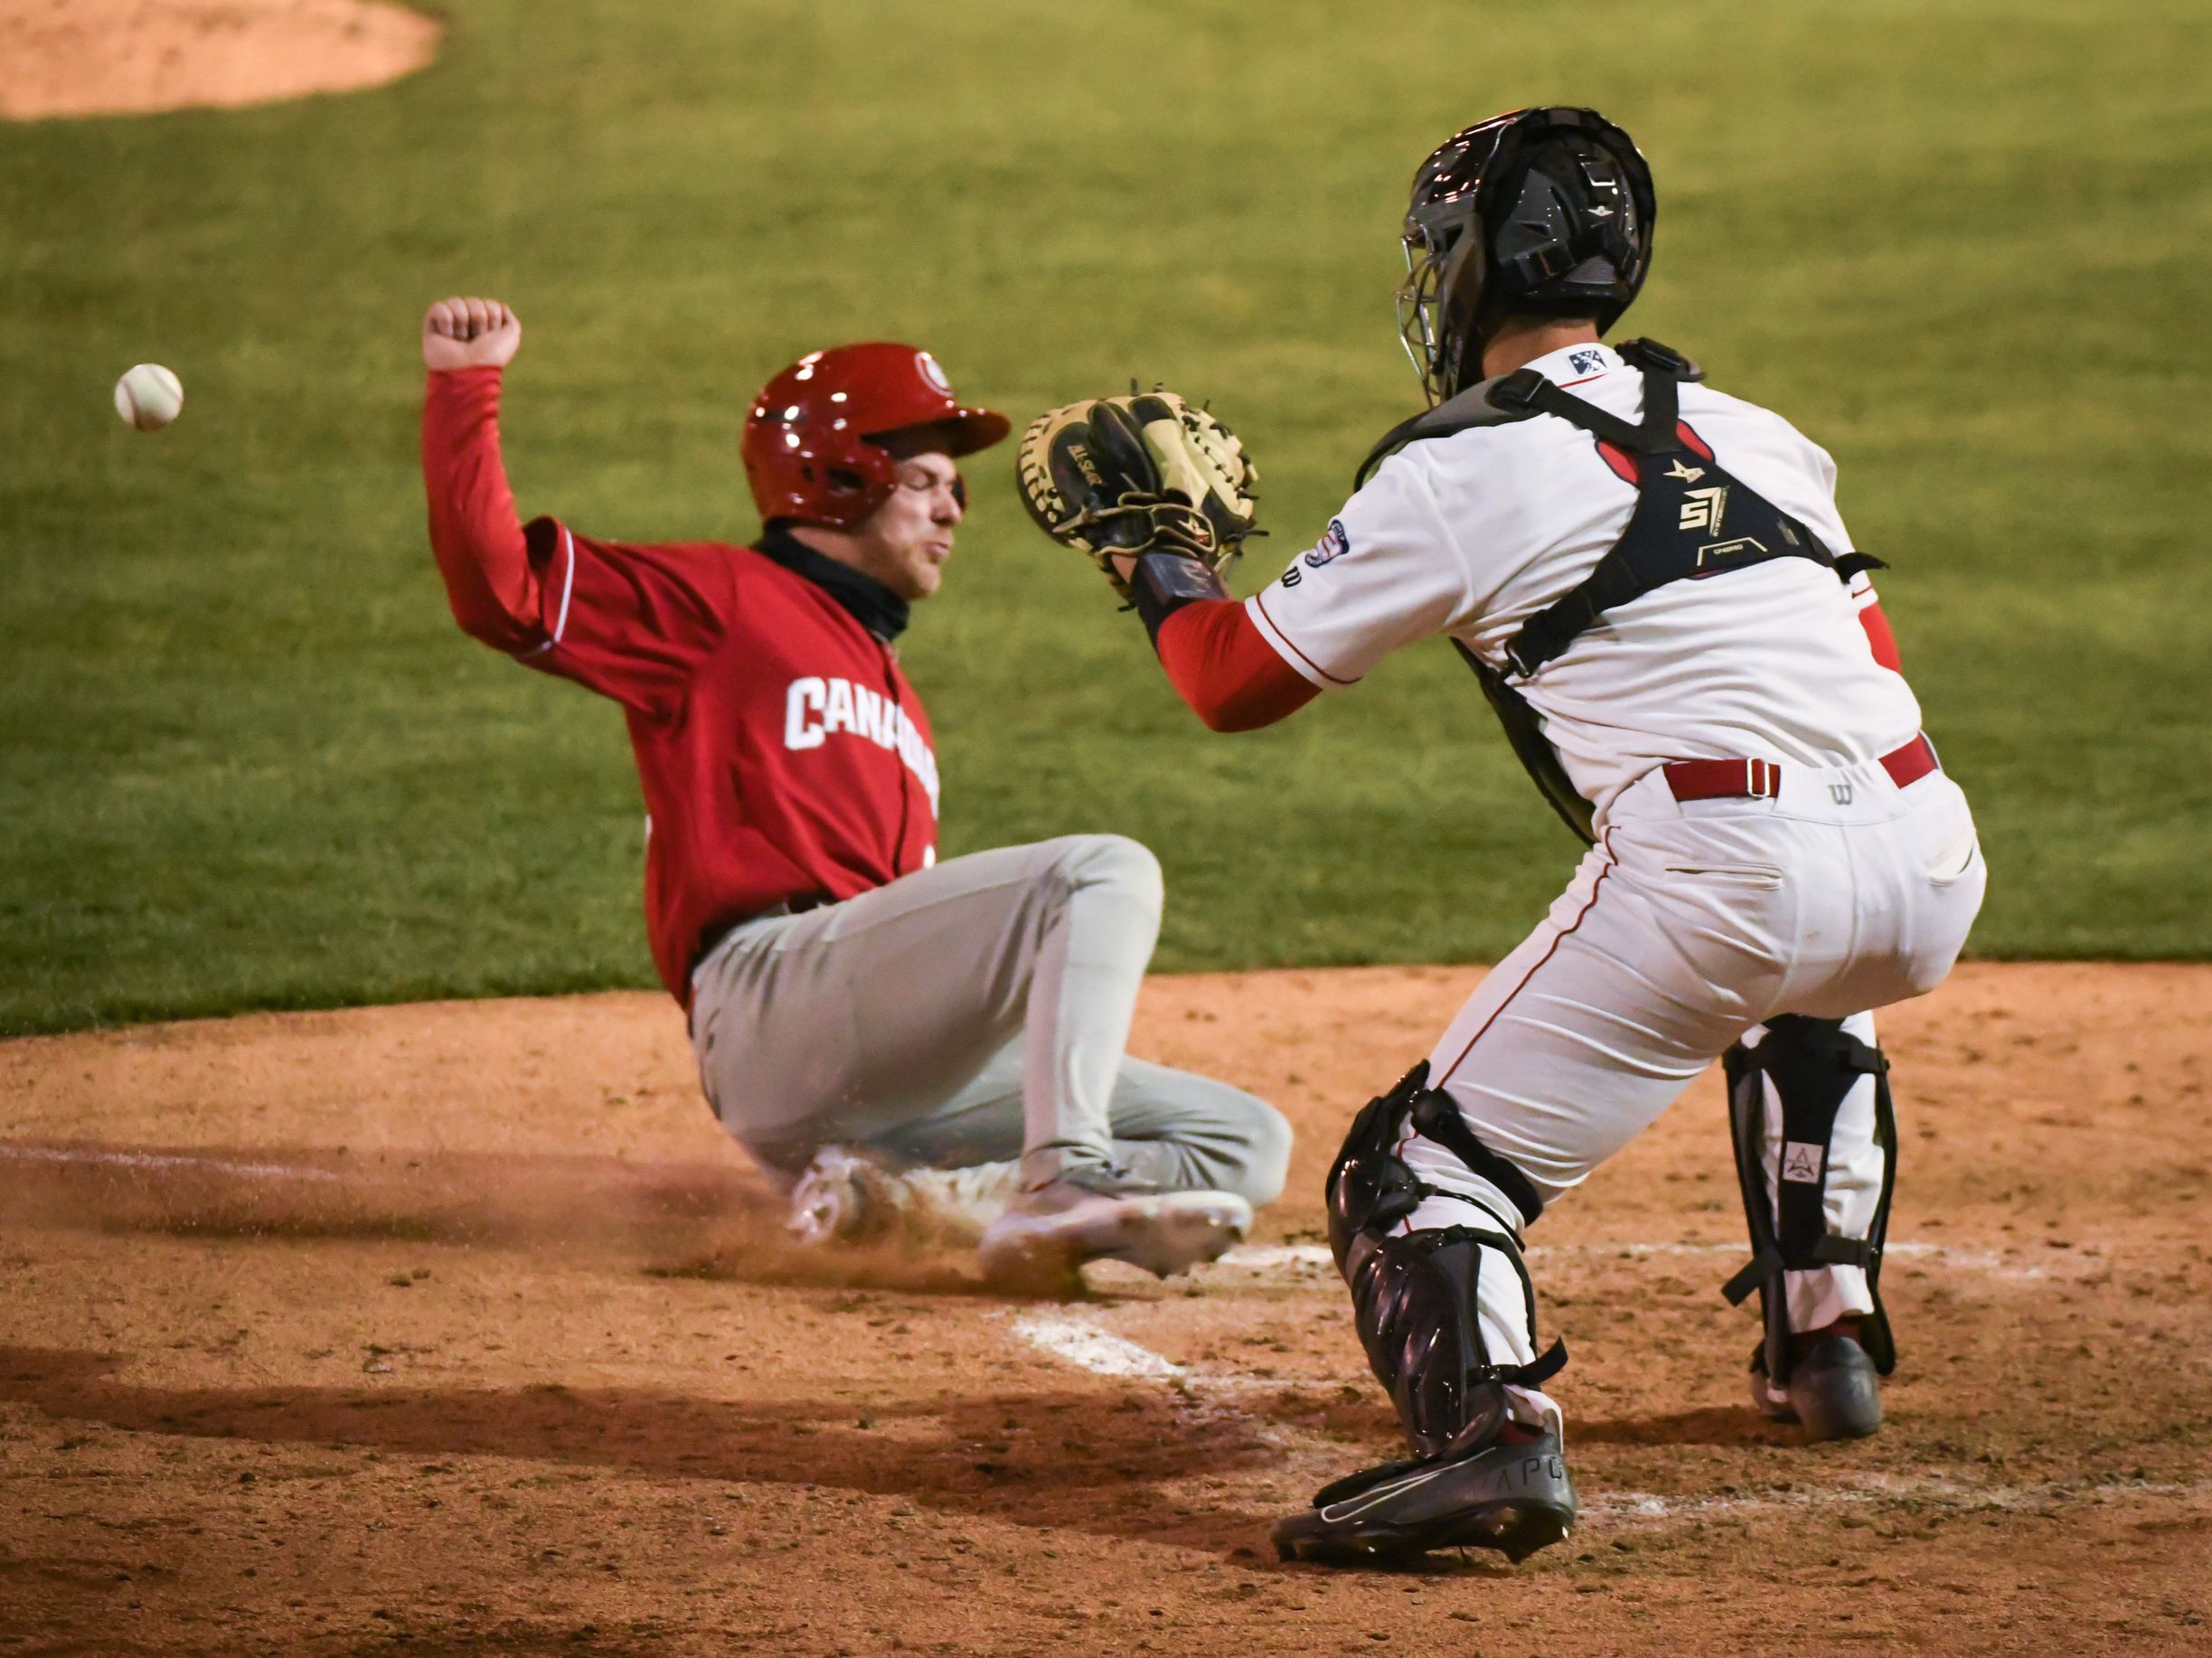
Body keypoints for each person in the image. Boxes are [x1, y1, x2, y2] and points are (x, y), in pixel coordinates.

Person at [1073, 108, 1985, 1562]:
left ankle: (1486, 1435)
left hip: (1725, 869)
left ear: (1475, 265)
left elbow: (1232, 681)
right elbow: (1860, 657)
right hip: (1929, 849)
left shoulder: (1459, 466)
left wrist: (1155, 557)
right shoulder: (1757, 429)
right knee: (1806, 977)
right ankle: (1828, 1332)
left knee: (1412, 1174)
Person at [417, 296, 1290, 1287]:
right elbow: (499, 592)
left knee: (1239, 1138)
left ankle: (907, 1198)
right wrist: (465, 386)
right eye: (923, 481)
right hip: (773, 1004)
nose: (954, 508)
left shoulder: (894, 694)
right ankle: (1059, 1180)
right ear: (837, 478)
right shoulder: (719, 600)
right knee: (1100, 872)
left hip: (873, 1079)